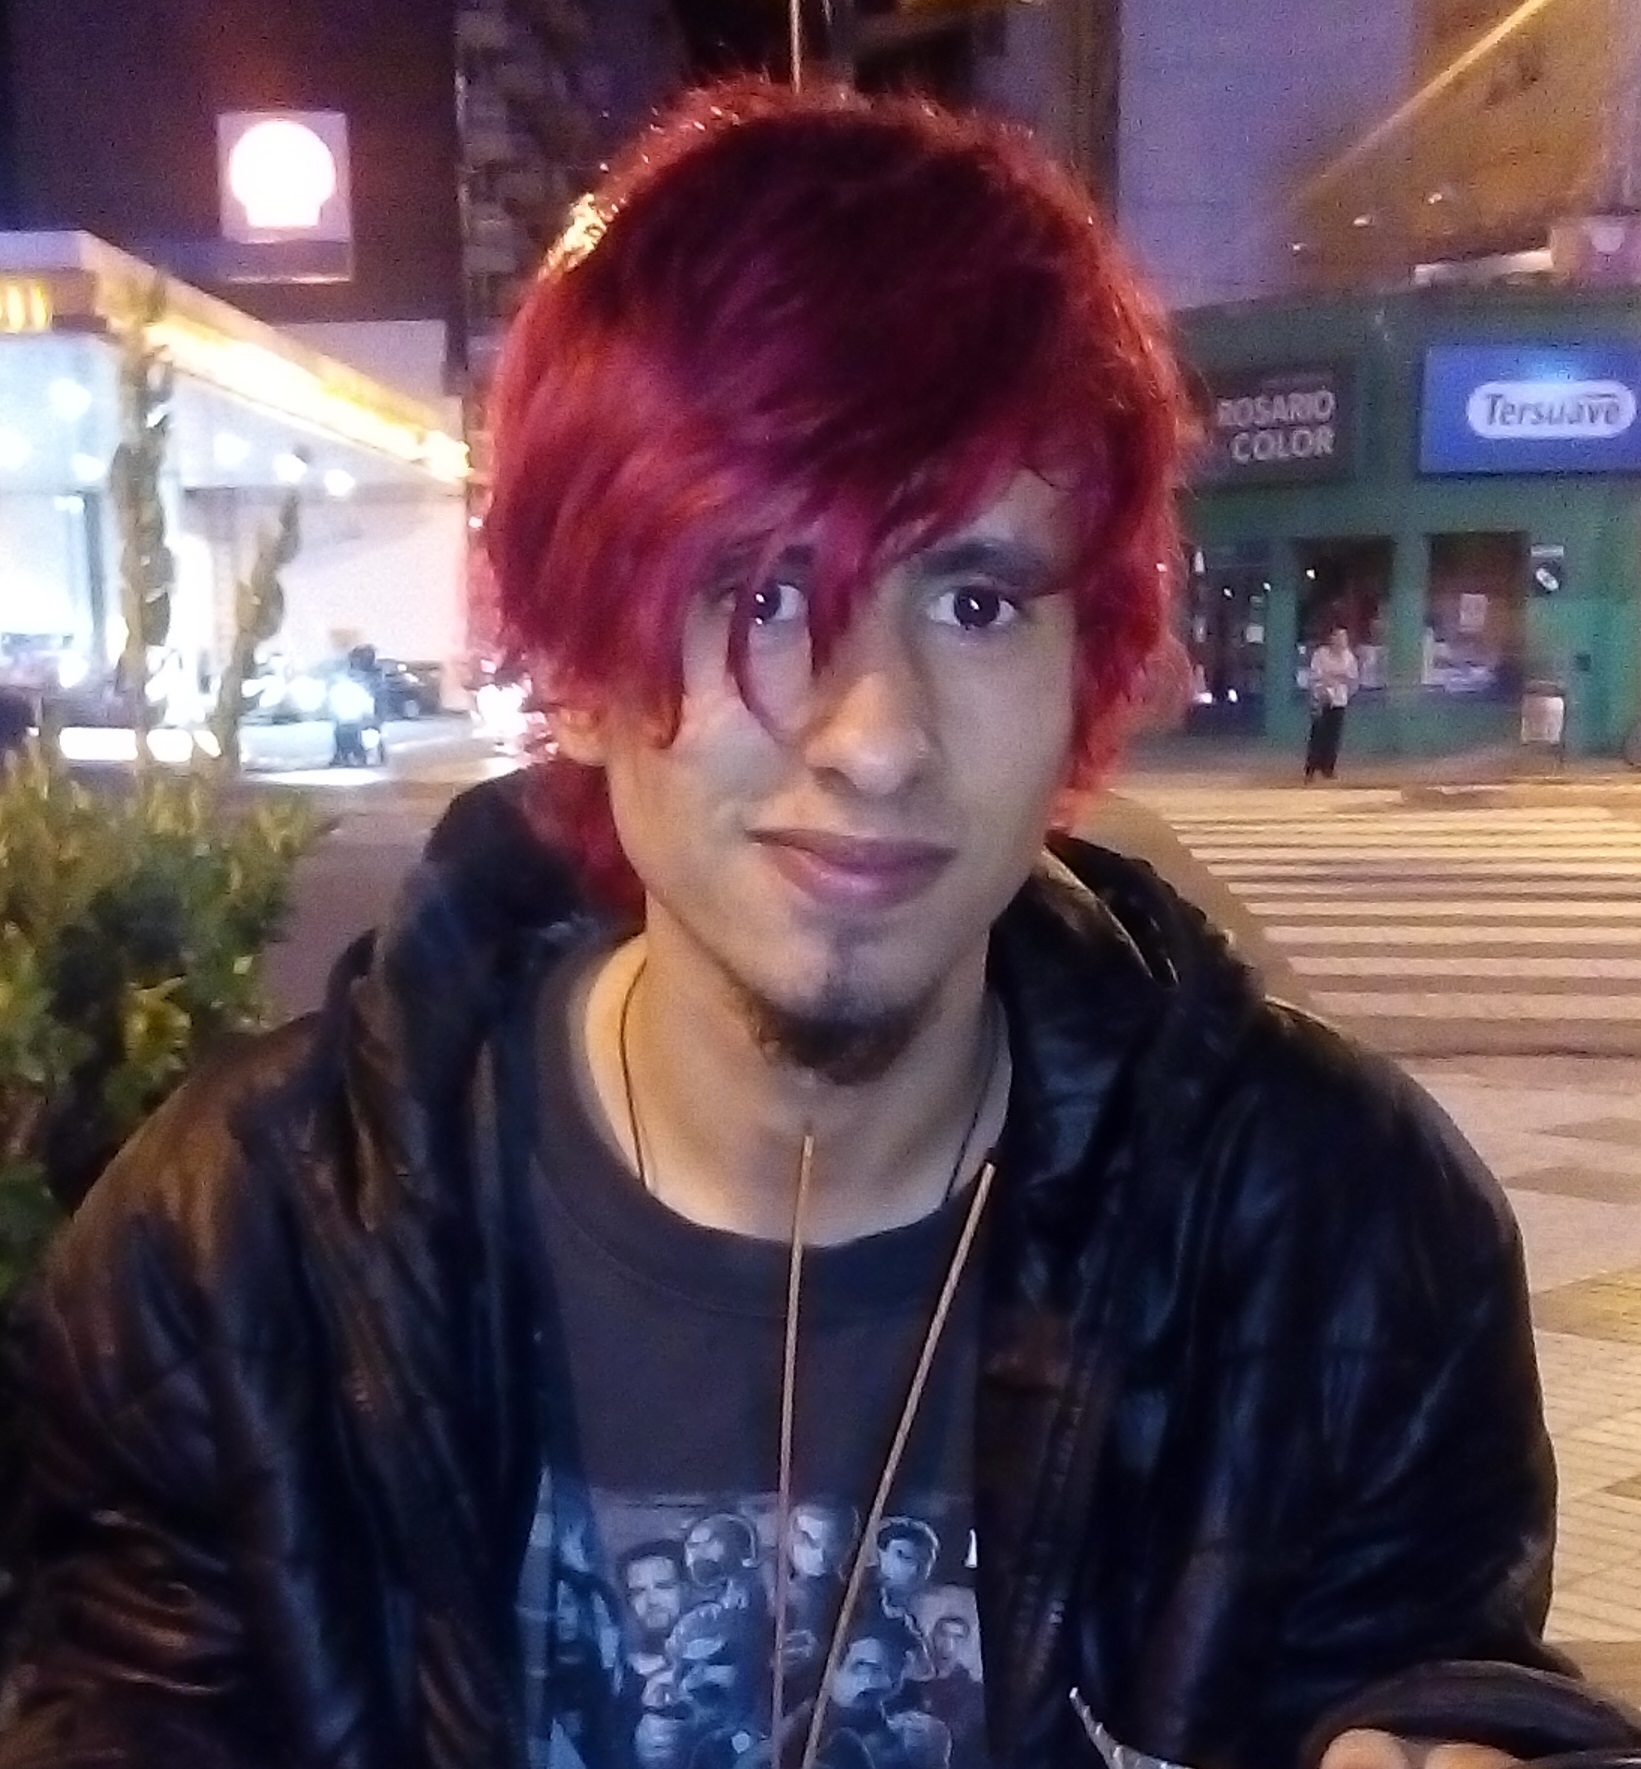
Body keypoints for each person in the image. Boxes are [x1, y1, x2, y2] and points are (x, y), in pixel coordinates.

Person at [0, 74, 1637, 1769]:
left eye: (976, 599)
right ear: (577, 658)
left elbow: (1426, 1668)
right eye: (762, 588)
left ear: (1087, 666)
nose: (876, 737)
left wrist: (1458, 1734)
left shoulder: (1335, 1237)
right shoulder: (232, 1259)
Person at [1304, 625, 1360, 781]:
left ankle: (1328, 768)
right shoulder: (1321, 654)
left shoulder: (1349, 657)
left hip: (1339, 701)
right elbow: (1315, 675)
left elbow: (1353, 679)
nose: (1342, 640)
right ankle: (1311, 769)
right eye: (1338, 636)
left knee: (1333, 735)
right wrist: (1324, 686)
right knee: (1318, 734)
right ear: (1332, 638)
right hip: (1321, 699)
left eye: (1344, 637)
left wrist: (1343, 689)